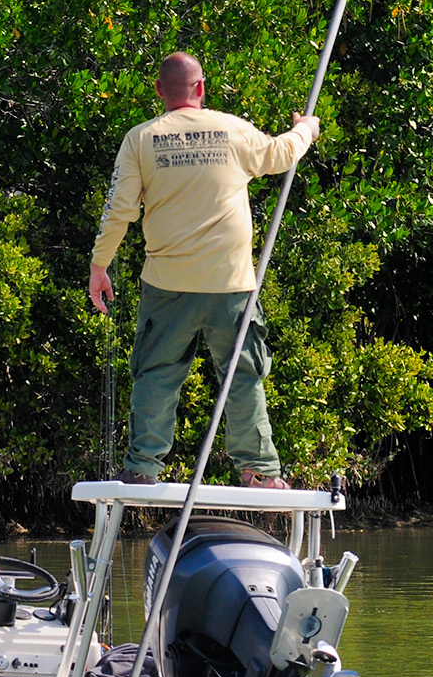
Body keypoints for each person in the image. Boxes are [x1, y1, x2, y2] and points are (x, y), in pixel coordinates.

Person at [87, 52, 320, 489]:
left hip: (167, 283)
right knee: (243, 374)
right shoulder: (232, 128)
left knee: (155, 374)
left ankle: (142, 468)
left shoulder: (140, 138)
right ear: (201, 88)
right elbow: (281, 154)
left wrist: (100, 266)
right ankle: (259, 472)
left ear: (159, 91)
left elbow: (118, 210)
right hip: (230, 283)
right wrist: (305, 128)